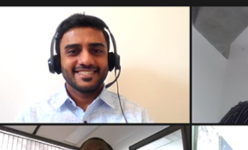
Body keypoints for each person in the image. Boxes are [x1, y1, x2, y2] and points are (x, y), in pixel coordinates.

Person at [16, 13, 152, 123]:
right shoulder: (31, 116)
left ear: (110, 60)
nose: (86, 61)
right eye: (73, 51)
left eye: (97, 51)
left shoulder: (138, 116)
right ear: (57, 62)